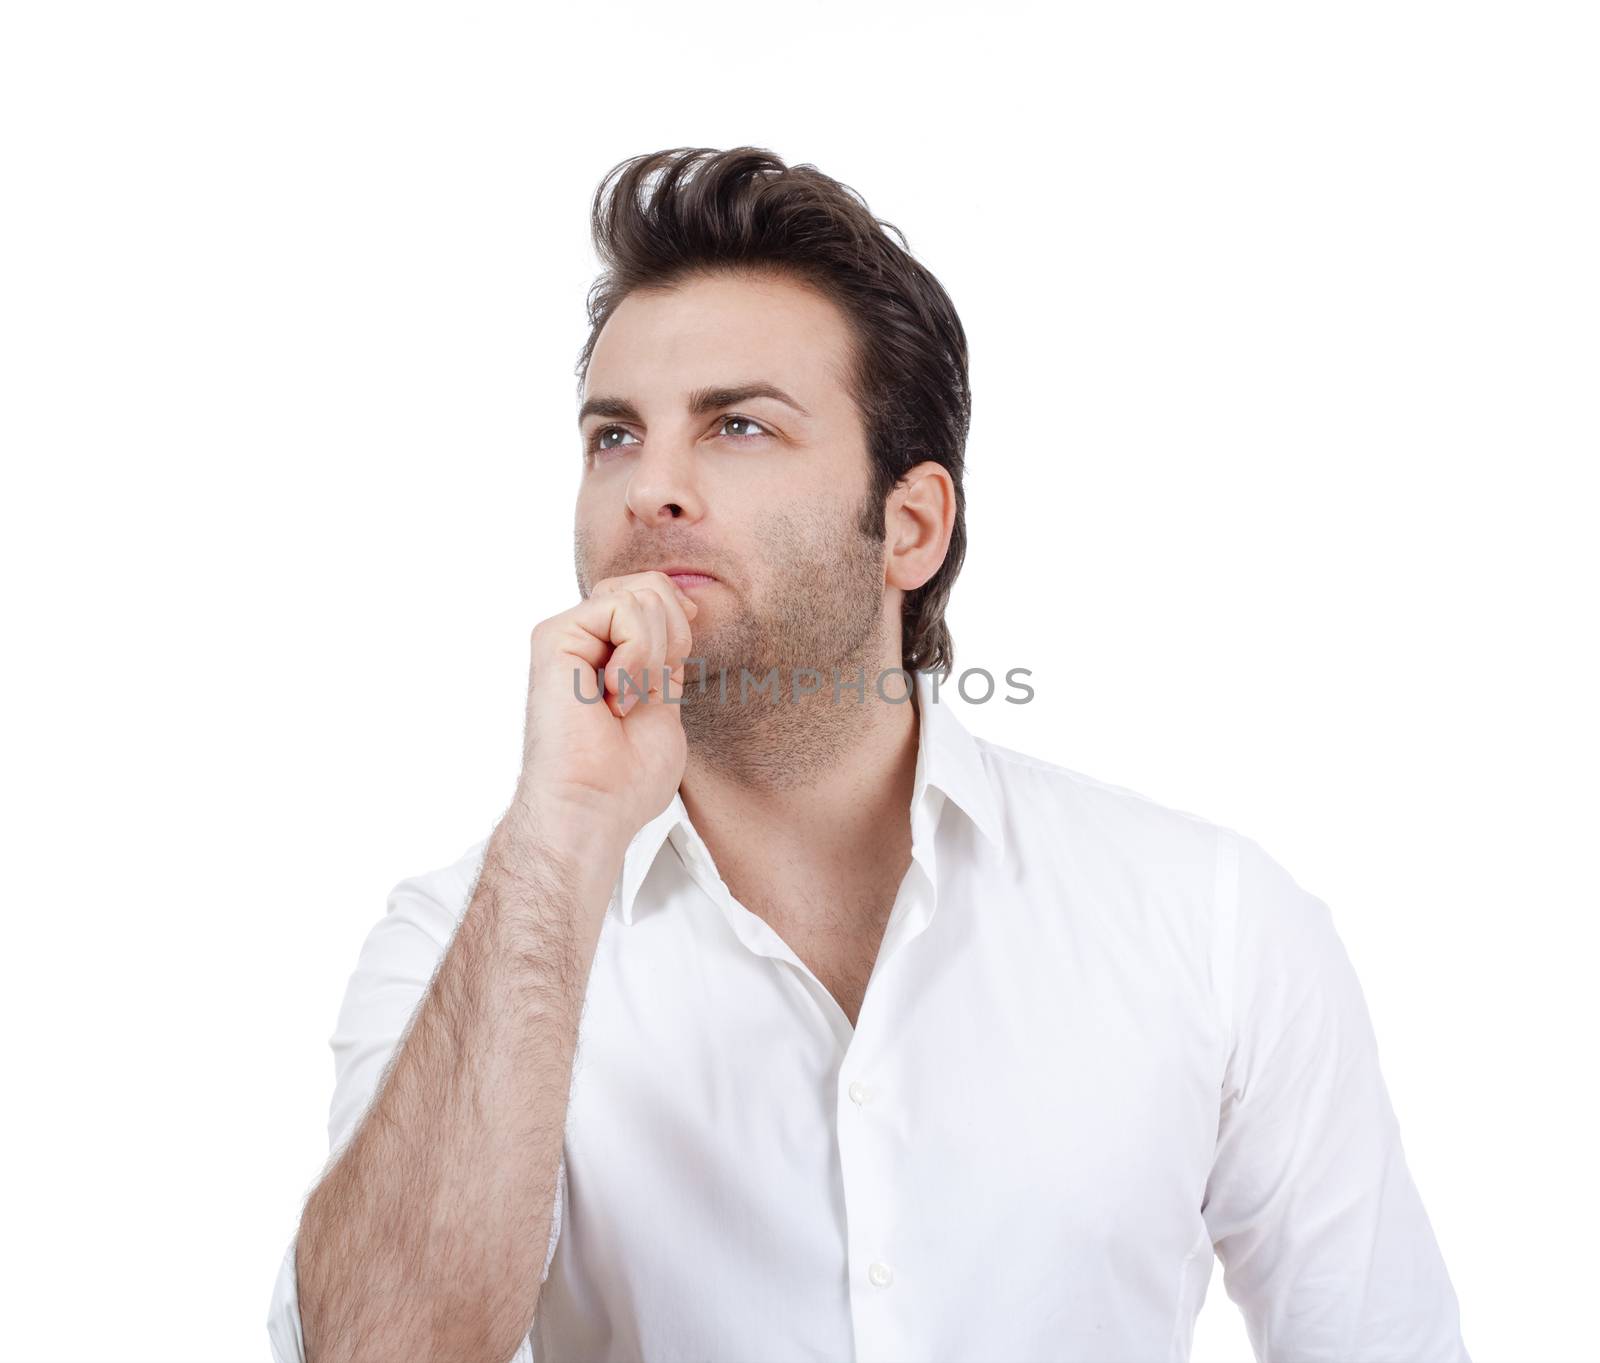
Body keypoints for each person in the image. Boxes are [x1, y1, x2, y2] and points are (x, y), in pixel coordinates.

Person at [266, 146, 1469, 1363]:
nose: (652, 489)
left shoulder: (1209, 922)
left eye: (738, 426)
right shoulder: (458, 948)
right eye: (614, 436)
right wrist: (563, 827)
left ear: (910, 526)